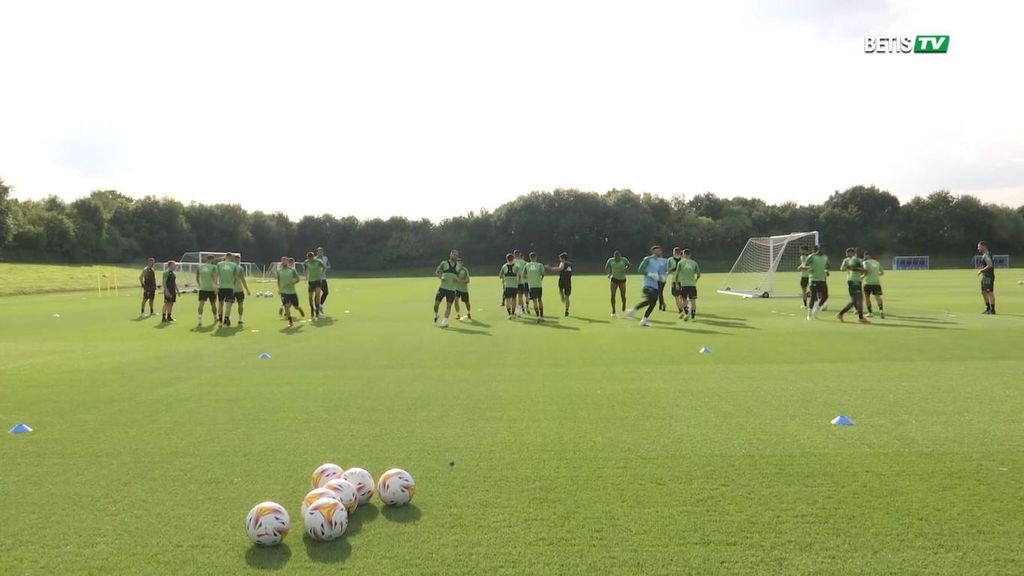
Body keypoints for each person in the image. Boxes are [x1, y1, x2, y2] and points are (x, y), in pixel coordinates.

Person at [626, 245, 667, 327]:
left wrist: (661, 277)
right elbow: (640, 269)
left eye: (660, 250)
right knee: (651, 301)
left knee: (651, 302)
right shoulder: (647, 259)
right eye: (658, 250)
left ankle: (637, 314)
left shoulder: (659, 262)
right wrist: (650, 274)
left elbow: (660, 273)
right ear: (653, 251)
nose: (660, 252)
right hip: (648, 284)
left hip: (655, 285)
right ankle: (642, 318)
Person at [837, 248, 869, 323]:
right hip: (853, 281)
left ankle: (859, 317)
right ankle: (842, 314)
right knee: (856, 300)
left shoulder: (858, 260)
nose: (847, 254)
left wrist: (861, 272)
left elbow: (862, 270)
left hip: (856, 280)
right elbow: (843, 269)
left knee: (857, 300)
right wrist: (858, 270)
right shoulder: (849, 260)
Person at [800, 245, 830, 320]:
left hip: (822, 279)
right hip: (813, 279)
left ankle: (816, 310)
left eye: (824, 249)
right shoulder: (812, 256)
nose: (823, 250)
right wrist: (810, 268)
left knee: (825, 296)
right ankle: (809, 314)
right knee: (813, 296)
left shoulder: (825, 257)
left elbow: (828, 266)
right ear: (819, 249)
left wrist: (826, 270)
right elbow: (805, 265)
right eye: (822, 249)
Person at [433, 249, 460, 328]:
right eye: (453, 254)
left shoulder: (458, 266)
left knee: (448, 306)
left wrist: (457, 280)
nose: (455, 256)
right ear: (450, 255)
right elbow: (437, 272)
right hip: (442, 288)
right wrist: (441, 277)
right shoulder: (444, 263)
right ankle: (436, 315)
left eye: (456, 255)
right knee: (436, 305)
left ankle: (445, 321)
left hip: (452, 290)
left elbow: (459, 278)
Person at [675, 249, 701, 321]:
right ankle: (693, 317)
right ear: (690, 255)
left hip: (684, 285)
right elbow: (699, 275)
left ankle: (686, 313)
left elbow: (676, 275)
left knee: (684, 300)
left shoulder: (680, 263)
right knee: (693, 301)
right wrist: (695, 281)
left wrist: (677, 284)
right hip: (692, 285)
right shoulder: (694, 263)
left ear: (684, 254)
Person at [216, 253, 241, 326]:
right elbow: (236, 277)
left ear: (225, 257)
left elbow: (216, 275)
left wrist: (215, 284)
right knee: (228, 306)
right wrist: (235, 283)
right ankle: (225, 321)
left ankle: (220, 321)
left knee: (220, 304)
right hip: (230, 288)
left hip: (221, 287)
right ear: (231, 258)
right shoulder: (234, 265)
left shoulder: (219, 264)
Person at [276, 257, 302, 328]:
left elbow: (298, 279)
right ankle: (290, 321)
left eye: (285, 261)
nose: (283, 262)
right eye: (282, 261)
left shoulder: (292, 270)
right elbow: (278, 281)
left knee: (296, 306)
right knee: (286, 306)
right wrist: (279, 289)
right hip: (284, 292)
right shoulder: (279, 271)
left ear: (287, 262)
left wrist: (293, 282)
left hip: (292, 292)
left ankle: (299, 308)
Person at [604, 250, 631, 317]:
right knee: (613, 295)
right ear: (614, 256)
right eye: (615, 257)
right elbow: (607, 267)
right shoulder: (610, 260)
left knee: (623, 295)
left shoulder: (624, 260)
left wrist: (626, 269)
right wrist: (609, 274)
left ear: (620, 256)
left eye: (618, 257)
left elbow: (629, 265)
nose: (617, 259)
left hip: (622, 279)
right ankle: (613, 310)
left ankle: (624, 305)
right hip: (614, 279)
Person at [547, 252, 573, 317]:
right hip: (568, 282)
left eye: (560, 258)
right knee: (567, 297)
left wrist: (551, 268)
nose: (559, 259)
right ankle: (567, 310)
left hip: (562, 280)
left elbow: (560, 268)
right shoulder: (570, 264)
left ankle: (562, 296)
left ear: (563, 258)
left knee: (561, 290)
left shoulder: (563, 263)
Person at [196, 254, 218, 326]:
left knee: (201, 304)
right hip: (211, 289)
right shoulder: (214, 267)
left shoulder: (200, 266)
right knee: (213, 304)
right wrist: (216, 288)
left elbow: (197, 277)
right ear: (212, 260)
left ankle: (200, 319)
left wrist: (200, 285)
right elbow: (215, 278)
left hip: (203, 289)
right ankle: (215, 317)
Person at [523, 252, 546, 321]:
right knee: (540, 300)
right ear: (536, 257)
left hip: (531, 286)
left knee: (534, 301)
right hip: (538, 285)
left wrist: (529, 277)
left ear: (530, 258)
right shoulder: (540, 265)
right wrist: (541, 278)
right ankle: (541, 316)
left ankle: (537, 316)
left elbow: (523, 275)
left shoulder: (527, 265)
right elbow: (543, 273)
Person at [861, 250, 885, 318]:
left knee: (867, 298)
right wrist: (875, 275)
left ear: (866, 255)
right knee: (878, 297)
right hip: (876, 282)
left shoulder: (865, 262)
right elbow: (882, 272)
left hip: (867, 282)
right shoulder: (877, 262)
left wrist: (862, 276)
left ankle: (870, 313)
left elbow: (866, 270)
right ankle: (881, 310)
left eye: (864, 256)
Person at [232, 254, 252, 326]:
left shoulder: (237, 268)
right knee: (234, 305)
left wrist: (247, 289)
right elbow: (242, 280)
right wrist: (247, 289)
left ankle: (238, 319)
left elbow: (242, 279)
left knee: (237, 304)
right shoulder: (239, 268)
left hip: (236, 289)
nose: (238, 260)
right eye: (237, 259)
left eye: (238, 259)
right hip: (235, 289)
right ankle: (238, 319)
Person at [977, 241, 996, 314]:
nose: (978, 248)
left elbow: (990, 265)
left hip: (988, 276)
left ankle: (992, 310)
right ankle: (988, 308)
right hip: (985, 276)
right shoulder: (985, 254)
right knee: (983, 292)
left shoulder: (986, 255)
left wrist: (981, 270)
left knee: (989, 292)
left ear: (984, 246)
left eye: (979, 247)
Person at [305, 251, 325, 319]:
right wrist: (306, 275)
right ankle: (312, 310)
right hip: (311, 281)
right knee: (310, 298)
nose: (310, 260)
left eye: (311, 258)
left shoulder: (318, 261)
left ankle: (317, 312)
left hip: (317, 280)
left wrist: (321, 273)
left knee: (318, 295)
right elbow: (305, 269)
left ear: (313, 257)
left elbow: (324, 267)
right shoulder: (306, 262)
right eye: (309, 258)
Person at [499, 253, 519, 319]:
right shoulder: (516, 266)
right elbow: (519, 276)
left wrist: (504, 278)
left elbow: (500, 275)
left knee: (507, 300)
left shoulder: (504, 266)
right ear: (513, 259)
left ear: (506, 259)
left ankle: (509, 314)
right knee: (514, 299)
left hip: (507, 286)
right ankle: (513, 313)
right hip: (514, 286)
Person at [453, 257, 472, 321]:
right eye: (458, 262)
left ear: (462, 263)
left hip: (464, 289)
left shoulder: (465, 270)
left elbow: (468, 280)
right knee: (456, 300)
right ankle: (458, 314)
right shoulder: (454, 270)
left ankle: (469, 312)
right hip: (457, 289)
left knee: (467, 303)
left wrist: (460, 280)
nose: (459, 263)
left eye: (460, 262)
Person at [667, 247, 684, 315]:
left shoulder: (683, 260)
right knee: (676, 296)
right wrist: (674, 269)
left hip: (683, 280)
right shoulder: (670, 260)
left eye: (677, 252)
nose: (676, 253)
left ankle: (683, 308)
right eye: (675, 252)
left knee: (683, 296)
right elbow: (668, 270)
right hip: (675, 280)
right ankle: (680, 309)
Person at [513, 249, 529, 315]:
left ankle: (515, 310)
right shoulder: (525, 262)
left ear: (514, 254)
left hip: (513, 282)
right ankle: (523, 308)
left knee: (513, 297)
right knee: (522, 296)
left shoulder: (512, 262)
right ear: (519, 254)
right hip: (523, 282)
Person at [798, 245, 812, 309]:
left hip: (807, 276)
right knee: (806, 291)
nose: (800, 251)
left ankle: (808, 305)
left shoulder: (806, 257)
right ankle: (807, 305)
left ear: (805, 250)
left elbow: (806, 267)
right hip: (807, 276)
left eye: (801, 250)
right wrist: (800, 266)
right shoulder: (804, 257)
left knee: (807, 291)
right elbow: (804, 265)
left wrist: (802, 267)